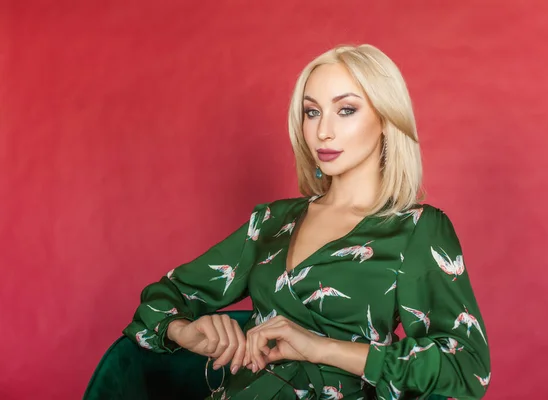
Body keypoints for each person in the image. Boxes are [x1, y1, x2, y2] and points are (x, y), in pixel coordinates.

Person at [123, 43, 491, 400]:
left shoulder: (415, 230)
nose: (322, 131)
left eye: (346, 110)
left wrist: (320, 348)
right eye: (311, 112)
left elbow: (466, 367)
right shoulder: (271, 222)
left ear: (385, 118)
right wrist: (184, 331)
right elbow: (161, 300)